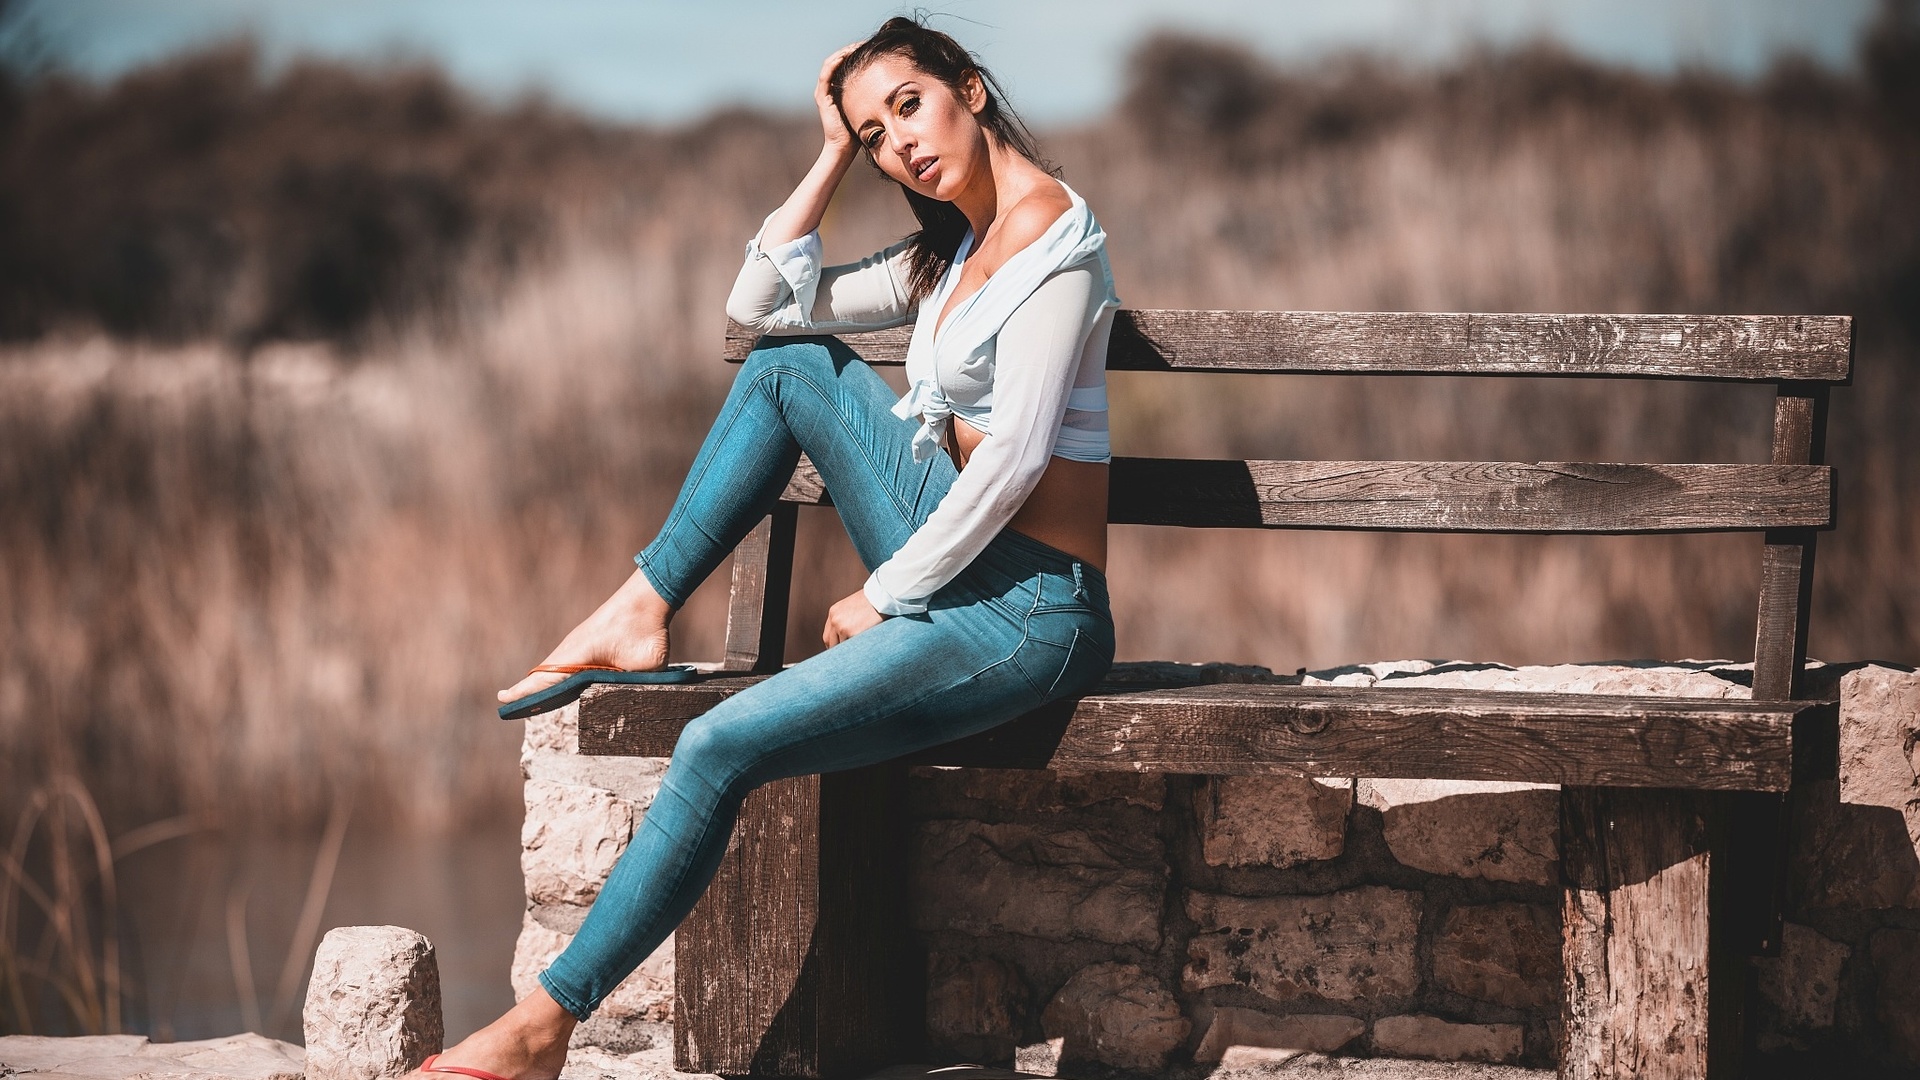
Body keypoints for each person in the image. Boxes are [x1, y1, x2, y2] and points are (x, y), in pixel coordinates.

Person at [415, 17, 1119, 1080]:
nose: (902, 144)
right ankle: (642, 605)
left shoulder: (1056, 236)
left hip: (1032, 610)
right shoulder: (952, 252)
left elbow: (1016, 459)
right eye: (879, 134)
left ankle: (541, 1029)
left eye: (910, 107)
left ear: (970, 89)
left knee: (715, 746)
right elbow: (757, 315)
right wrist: (829, 150)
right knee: (791, 370)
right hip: (965, 571)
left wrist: (887, 590)